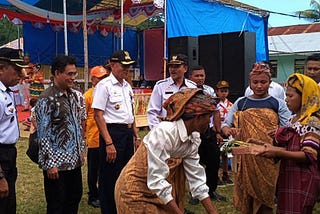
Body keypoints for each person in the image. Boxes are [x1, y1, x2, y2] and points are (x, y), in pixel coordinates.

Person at [115, 88, 219, 214]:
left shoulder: (194, 138)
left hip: (159, 192)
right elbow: (156, 180)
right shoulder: (164, 133)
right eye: (208, 117)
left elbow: (197, 181)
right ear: (197, 118)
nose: (209, 122)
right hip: (134, 191)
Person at [221, 62, 291, 214]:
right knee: (247, 192)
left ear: (270, 83)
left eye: (263, 82)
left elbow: (287, 129)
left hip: (268, 156)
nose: (259, 86)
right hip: (246, 157)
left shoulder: (277, 103)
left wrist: (278, 132)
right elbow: (225, 124)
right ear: (250, 84)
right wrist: (229, 130)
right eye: (255, 82)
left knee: (265, 194)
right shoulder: (241, 103)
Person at [253, 73, 320, 213]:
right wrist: (263, 145)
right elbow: (286, 149)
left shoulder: (312, 122)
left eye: (291, 96)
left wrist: (277, 152)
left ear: (305, 97)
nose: (286, 99)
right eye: (286, 95)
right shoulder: (293, 120)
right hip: (288, 176)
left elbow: (308, 155)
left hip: (302, 179)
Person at [35, 55, 86, 214]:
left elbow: (78, 125)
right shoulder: (46, 99)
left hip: (74, 161)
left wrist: (81, 150)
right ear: (57, 73)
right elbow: (43, 134)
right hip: (56, 165)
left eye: (74, 74)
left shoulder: (74, 96)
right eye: (69, 74)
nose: (73, 78)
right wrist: (50, 164)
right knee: (57, 204)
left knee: (74, 198)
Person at [92, 50, 141, 214]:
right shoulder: (104, 86)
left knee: (126, 173)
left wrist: (136, 136)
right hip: (112, 133)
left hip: (127, 134)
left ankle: (122, 207)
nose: (126, 69)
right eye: (123, 65)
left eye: (129, 66)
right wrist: (109, 142)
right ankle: (109, 210)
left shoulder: (127, 86)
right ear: (112, 65)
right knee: (109, 176)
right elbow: (98, 115)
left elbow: (130, 114)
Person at [188, 65, 226, 203]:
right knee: (194, 163)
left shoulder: (209, 90)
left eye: (202, 75)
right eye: (197, 76)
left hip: (208, 132)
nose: (200, 78)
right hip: (193, 132)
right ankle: (195, 194)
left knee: (214, 161)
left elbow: (216, 112)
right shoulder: (187, 91)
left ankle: (211, 190)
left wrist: (218, 131)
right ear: (190, 77)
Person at [0, 47, 28, 214]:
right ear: (1, 68)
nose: (21, 74)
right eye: (17, 69)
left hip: (8, 155)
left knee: (9, 204)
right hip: (1, 156)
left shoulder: (6, 91)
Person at [147, 54, 197, 129]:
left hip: (186, 130)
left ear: (185, 69)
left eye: (176, 66)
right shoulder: (160, 86)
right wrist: (157, 131)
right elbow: (153, 112)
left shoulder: (192, 86)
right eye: (171, 66)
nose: (173, 69)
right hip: (167, 131)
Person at [83, 65, 109, 208]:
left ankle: (104, 192)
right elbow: (83, 118)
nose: (102, 80)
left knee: (105, 168)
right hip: (93, 138)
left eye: (104, 77)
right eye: (99, 78)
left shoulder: (107, 92)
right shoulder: (88, 96)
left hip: (107, 138)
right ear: (92, 79)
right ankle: (93, 195)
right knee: (93, 170)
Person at [215, 80, 233, 185]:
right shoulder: (215, 104)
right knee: (217, 154)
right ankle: (216, 175)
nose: (223, 93)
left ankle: (225, 174)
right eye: (221, 91)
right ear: (217, 92)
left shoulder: (231, 105)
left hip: (227, 132)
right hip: (217, 131)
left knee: (226, 153)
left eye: (225, 91)